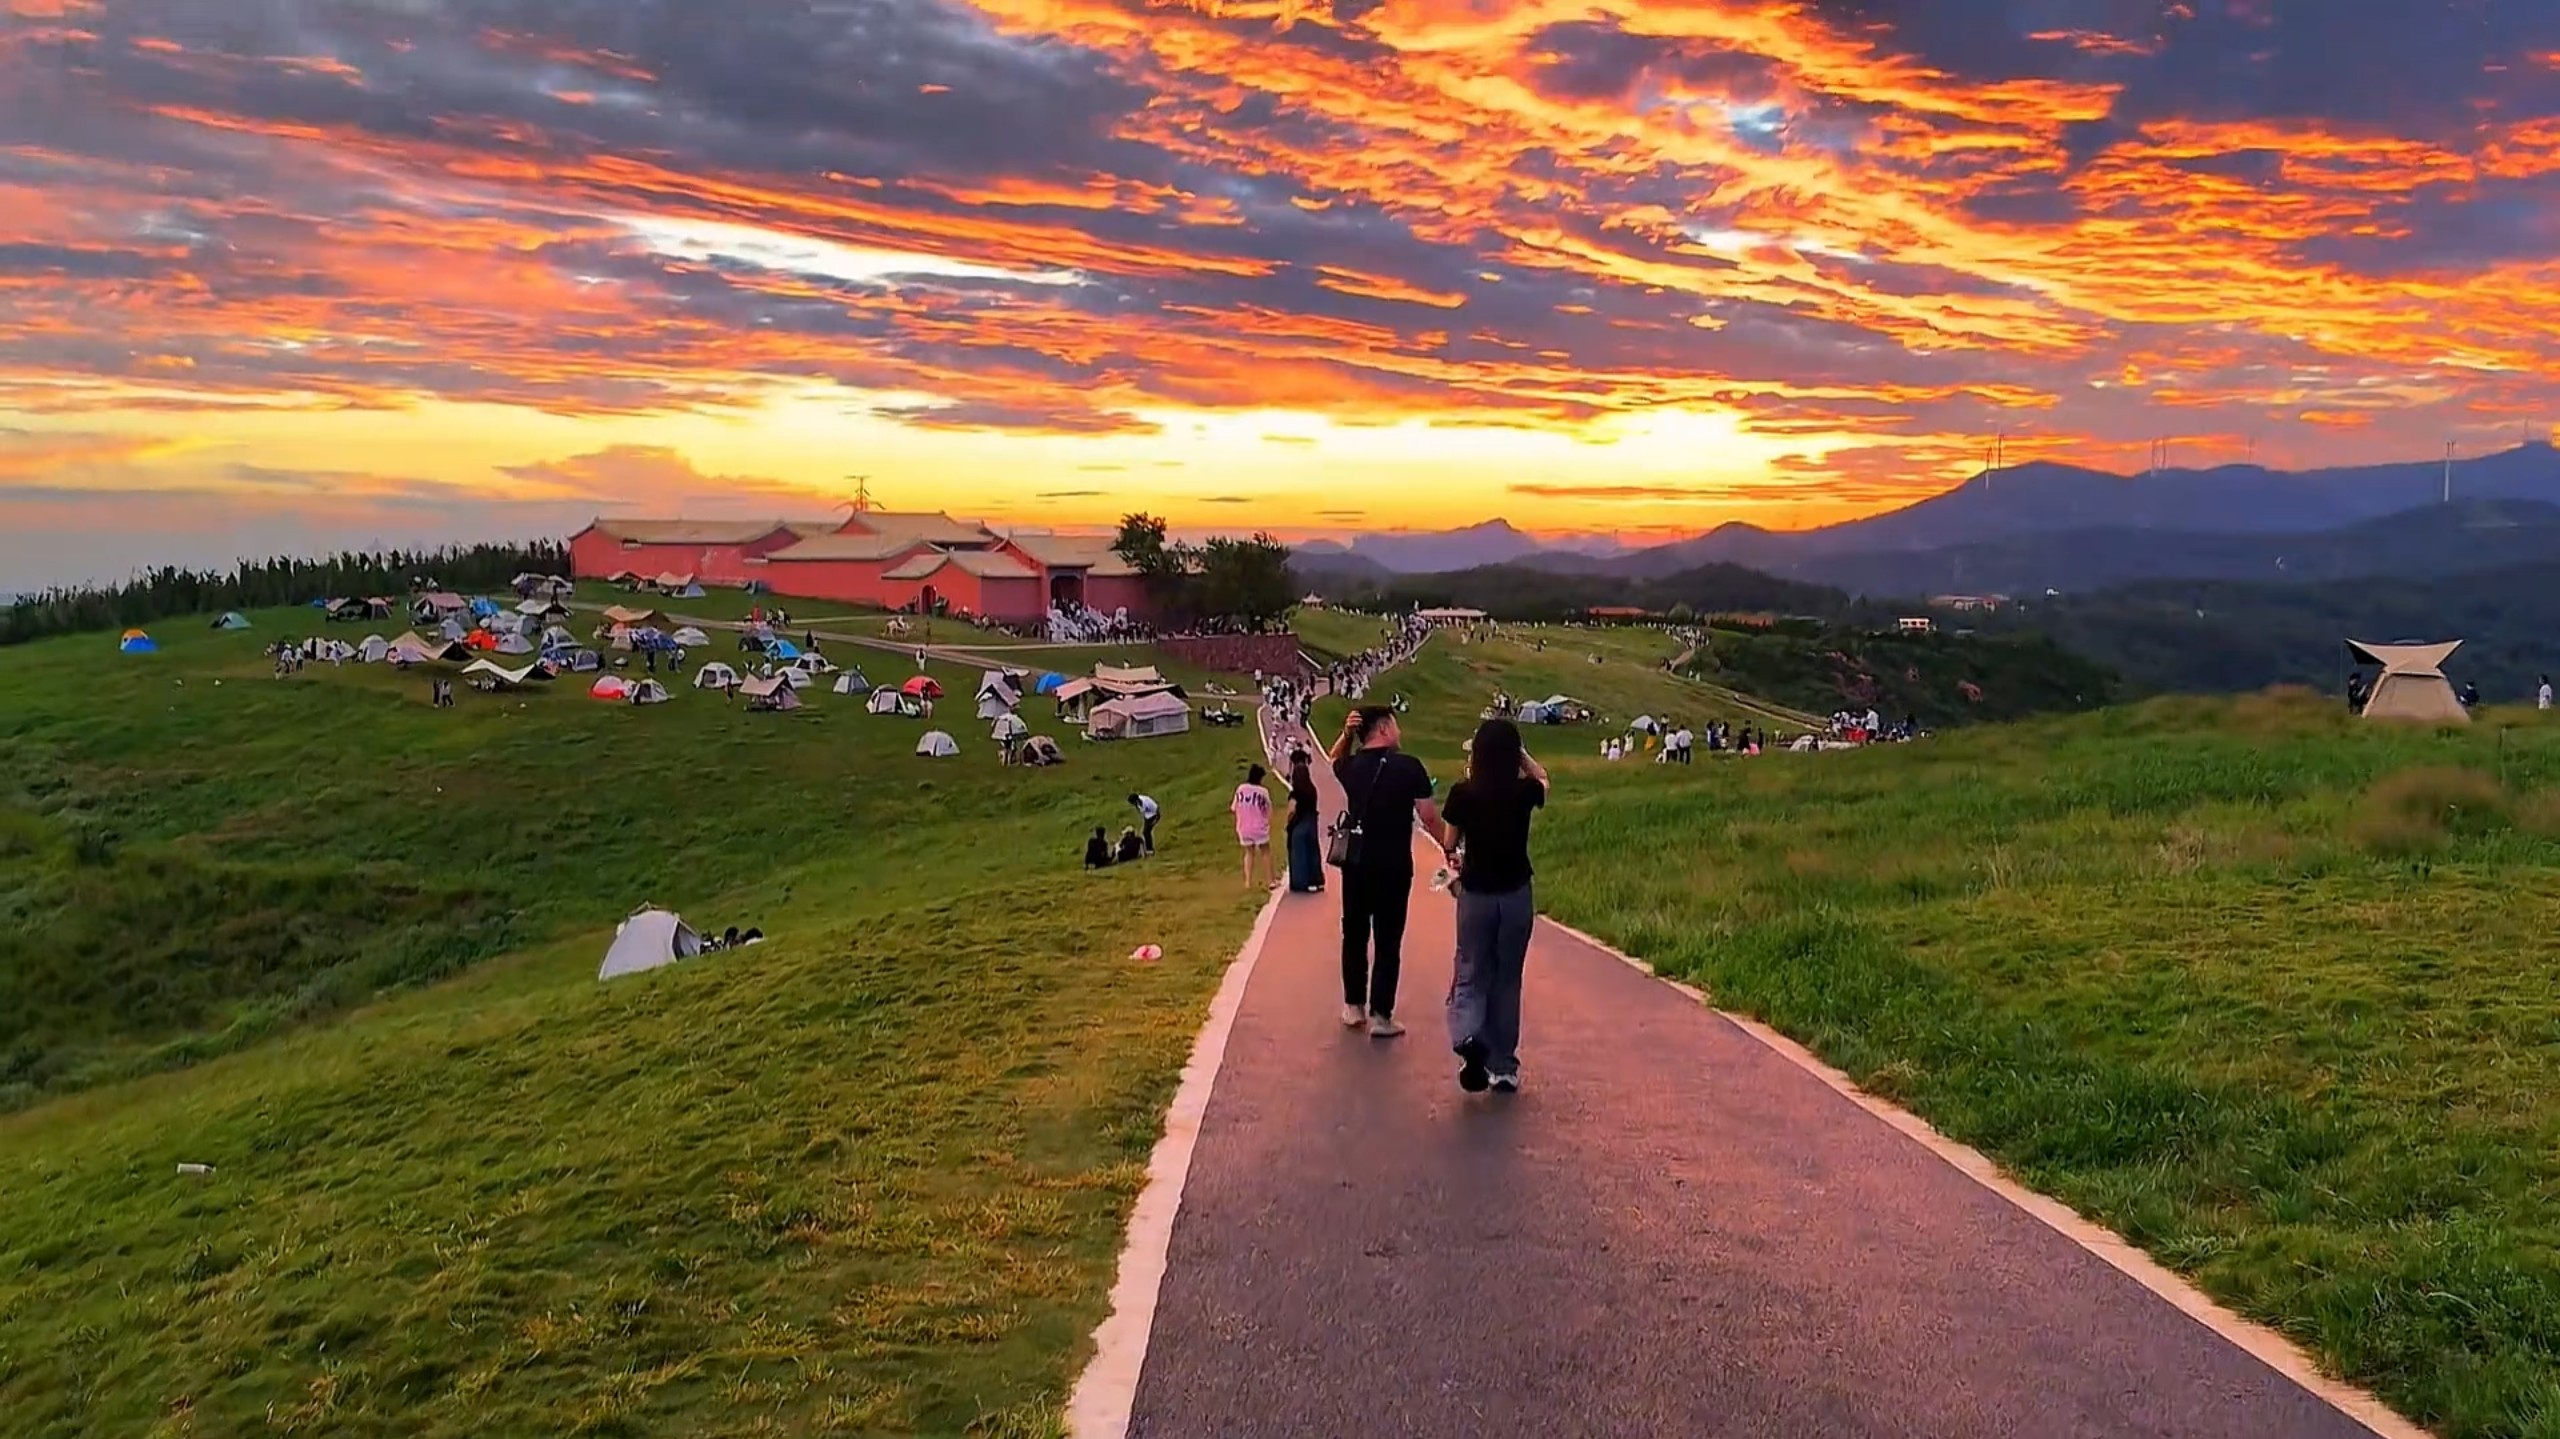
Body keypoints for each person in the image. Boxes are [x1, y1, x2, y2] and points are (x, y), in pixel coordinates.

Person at [1443, 718, 1548, 1093]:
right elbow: (1544, 779)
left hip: (1475, 893)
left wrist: (1454, 858)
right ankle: (1504, 1065)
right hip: (1516, 892)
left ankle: (1469, 1037)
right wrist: (1522, 756)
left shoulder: (1462, 793)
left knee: (1472, 969)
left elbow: (1450, 841)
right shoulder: (1524, 791)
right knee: (1507, 978)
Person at [1328, 704, 1443, 1037]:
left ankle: (1353, 1007)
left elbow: (1334, 759)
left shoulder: (1352, 767)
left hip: (1356, 863)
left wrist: (1347, 734)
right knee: (1388, 939)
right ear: (1382, 729)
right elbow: (1428, 815)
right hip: (1393, 864)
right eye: (1394, 725)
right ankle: (1381, 1015)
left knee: (1354, 933)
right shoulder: (1409, 767)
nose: (1398, 731)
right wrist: (1448, 847)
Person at [1285, 751, 1324, 894]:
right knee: (1313, 851)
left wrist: (1289, 822)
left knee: (1299, 854)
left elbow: (1291, 810)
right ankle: (1316, 880)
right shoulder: (1312, 790)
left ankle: (1301, 882)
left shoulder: (1295, 793)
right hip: (1312, 822)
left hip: (1299, 824)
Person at [1232, 764, 1275, 888]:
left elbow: (1234, 807)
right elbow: (1268, 810)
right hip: (1259, 826)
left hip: (1243, 827)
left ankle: (1248, 882)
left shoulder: (1240, 789)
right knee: (1265, 852)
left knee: (1249, 853)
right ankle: (1270, 881)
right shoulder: (1263, 792)